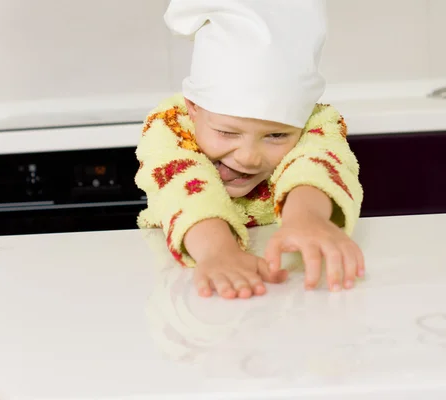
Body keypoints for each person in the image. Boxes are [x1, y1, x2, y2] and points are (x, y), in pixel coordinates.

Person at [135, 0, 364, 300]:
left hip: (285, 289)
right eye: (227, 132)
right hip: (190, 291)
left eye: (277, 135)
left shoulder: (317, 123)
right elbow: (180, 185)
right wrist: (217, 251)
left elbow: (318, 160)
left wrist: (307, 217)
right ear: (193, 108)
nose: (248, 157)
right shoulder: (169, 125)